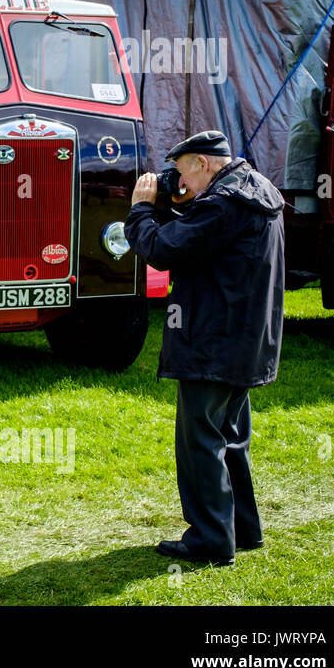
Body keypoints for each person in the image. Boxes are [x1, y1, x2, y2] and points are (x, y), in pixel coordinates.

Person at [125, 130, 285, 567]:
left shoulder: (222, 205)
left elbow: (162, 249)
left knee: (200, 444)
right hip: (248, 341)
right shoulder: (257, 191)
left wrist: (141, 210)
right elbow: (205, 235)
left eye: (181, 171)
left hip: (212, 343)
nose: (178, 179)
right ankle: (242, 529)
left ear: (201, 162)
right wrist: (178, 200)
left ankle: (211, 540)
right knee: (230, 438)